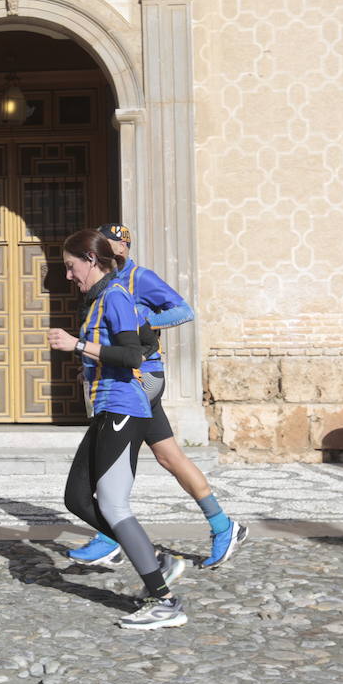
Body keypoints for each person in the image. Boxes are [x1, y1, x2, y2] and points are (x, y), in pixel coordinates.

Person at [68, 222, 247, 570]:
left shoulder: (139, 278)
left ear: (122, 247)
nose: (105, 250)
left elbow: (184, 311)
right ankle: (224, 525)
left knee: (113, 454)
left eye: (109, 245)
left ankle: (110, 538)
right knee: (169, 457)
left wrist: (143, 320)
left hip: (142, 376)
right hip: (126, 375)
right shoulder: (104, 283)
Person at [47, 229, 187, 630]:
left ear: (91, 260)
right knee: (77, 498)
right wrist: (89, 366)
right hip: (106, 408)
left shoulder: (115, 297)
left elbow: (131, 355)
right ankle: (156, 559)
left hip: (124, 408)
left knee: (113, 504)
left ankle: (165, 601)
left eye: (71, 266)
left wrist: (78, 346)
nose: (68, 276)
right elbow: (125, 347)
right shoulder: (99, 300)